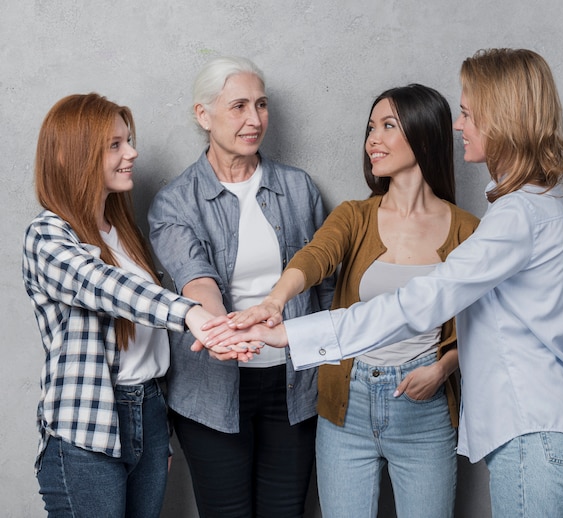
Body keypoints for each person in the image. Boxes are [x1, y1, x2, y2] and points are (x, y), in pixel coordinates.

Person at [205, 48, 563, 518]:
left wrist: (290, 332)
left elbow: (421, 302)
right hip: (532, 425)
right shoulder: (531, 203)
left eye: (468, 114)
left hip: (531, 430)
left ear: (503, 118)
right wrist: (279, 305)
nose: (459, 125)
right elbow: (318, 256)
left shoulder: (516, 215)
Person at [216, 83, 479, 518]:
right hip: (348, 403)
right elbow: (316, 256)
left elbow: (478, 325)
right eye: (370, 127)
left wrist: (441, 369)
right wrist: (275, 300)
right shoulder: (355, 216)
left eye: (388, 126)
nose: (372, 139)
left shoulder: (466, 229)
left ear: (424, 133)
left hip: (425, 411)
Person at [147, 56, 334, 518]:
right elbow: (197, 279)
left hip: (294, 384)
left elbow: (326, 284)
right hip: (211, 390)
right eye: (238, 106)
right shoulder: (174, 200)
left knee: (284, 511)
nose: (254, 120)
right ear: (203, 115)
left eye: (261, 104)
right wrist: (219, 333)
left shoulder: (298, 188)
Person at [22, 93, 218, 517]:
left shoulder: (121, 231)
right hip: (86, 425)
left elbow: (146, 347)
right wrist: (191, 313)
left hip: (146, 411)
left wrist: (156, 431)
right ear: (72, 155)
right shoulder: (47, 236)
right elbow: (105, 286)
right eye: (115, 144)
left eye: (127, 140)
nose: (132, 153)